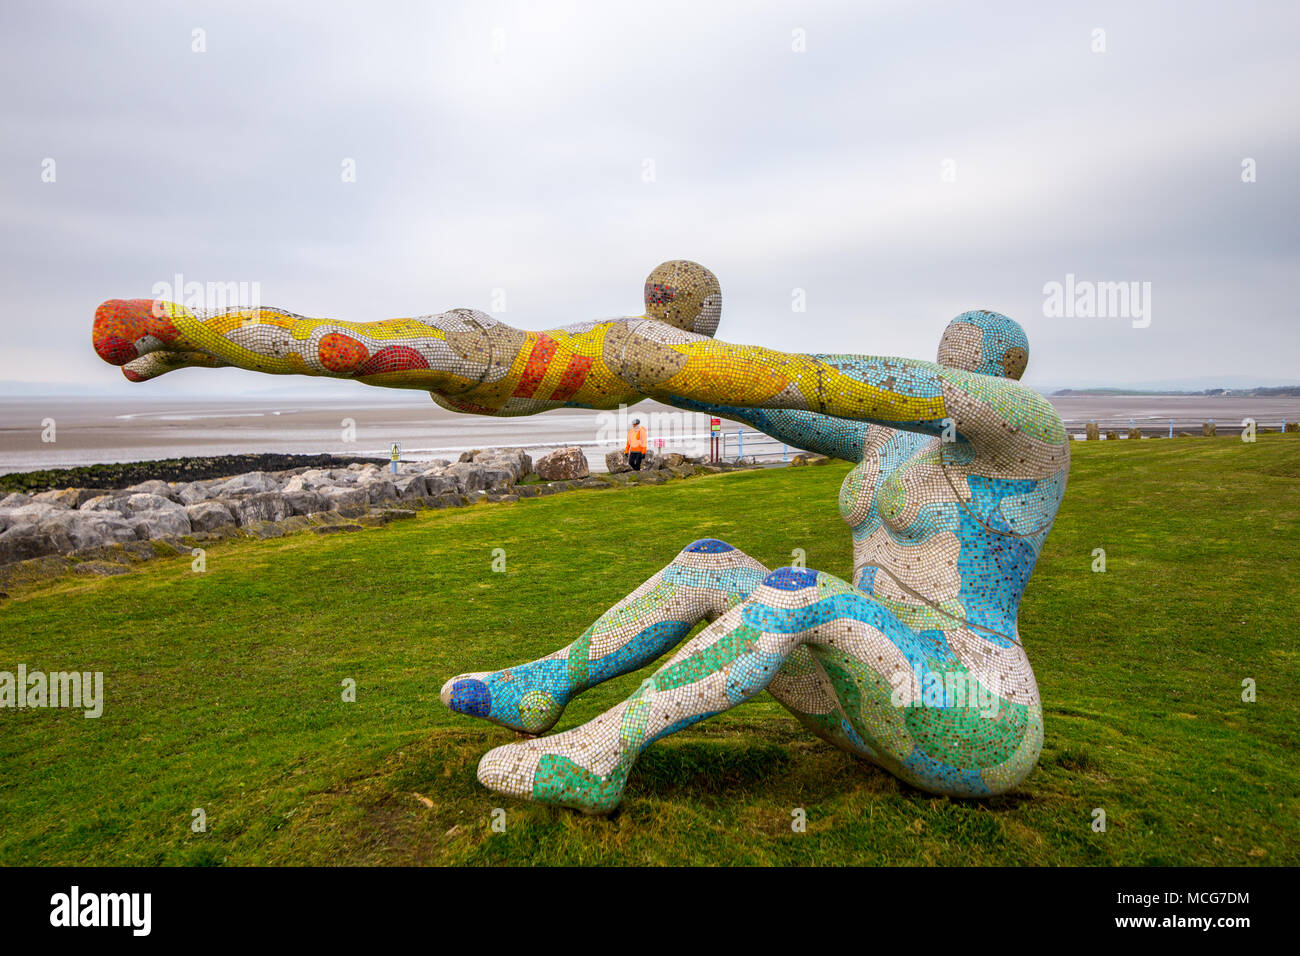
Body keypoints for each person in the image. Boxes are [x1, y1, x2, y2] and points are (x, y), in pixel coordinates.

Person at [92, 260, 1067, 813]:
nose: (952, 364)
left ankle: (599, 752)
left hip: (969, 713)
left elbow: (802, 377)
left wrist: (665, 351)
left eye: (970, 361)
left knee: (796, 589)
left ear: (999, 378)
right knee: (713, 563)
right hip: (874, 705)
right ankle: (546, 683)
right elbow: (754, 393)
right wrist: (646, 360)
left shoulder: (1023, 435)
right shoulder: (886, 439)